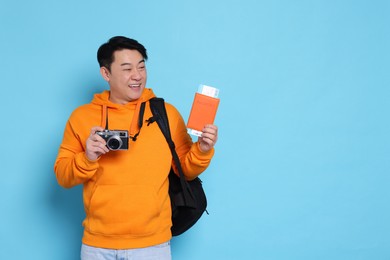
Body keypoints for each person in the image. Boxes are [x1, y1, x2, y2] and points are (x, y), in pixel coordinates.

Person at [54, 36, 218, 260]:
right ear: (106, 74)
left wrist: (203, 149)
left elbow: (185, 171)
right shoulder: (82, 118)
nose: (137, 75)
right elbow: (63, 177)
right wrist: (88, 157)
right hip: (97, 245)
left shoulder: (166, 114)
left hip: (152, 244)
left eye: (141, 66)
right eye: (127, 68)